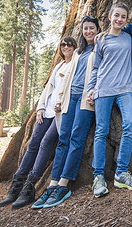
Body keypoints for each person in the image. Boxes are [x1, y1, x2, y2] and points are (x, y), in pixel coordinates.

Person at [0, 37, 77, 209]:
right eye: (63, 45)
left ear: (75, 47)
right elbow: (48, 89)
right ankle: (16, 185)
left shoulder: (75, 63)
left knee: (46, 142)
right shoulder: (58, 66)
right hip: (47, 110)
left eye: (70, 44)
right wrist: (40, 108)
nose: (66, 47)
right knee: (33, 143)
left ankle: (30, 187)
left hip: (60, 112)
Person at [32, 16, 101, 209]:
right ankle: (52, 184)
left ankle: (64, 184)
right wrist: (60, 99)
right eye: (86, 28)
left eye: (92, 28)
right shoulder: (79, 51)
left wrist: (95, 90)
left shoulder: (100, 47)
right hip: (70, 98)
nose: (89, 31)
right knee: (63, 139)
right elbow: (68, 77)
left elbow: (103, 72)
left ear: (97, 29)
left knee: (76, 139)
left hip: (86, 100)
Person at [86, 3, 132, 198]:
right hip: (103, 89)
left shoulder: (129, 36)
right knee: (101, 131)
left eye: (123, 17)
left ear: (126, 20)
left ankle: (121, 173)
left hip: (126, 88)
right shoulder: (101, 40)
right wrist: (91, 89)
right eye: (116, 15)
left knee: (130, 125)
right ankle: (98, 177)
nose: (119, 19)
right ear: (110, 16)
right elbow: (95, 68)